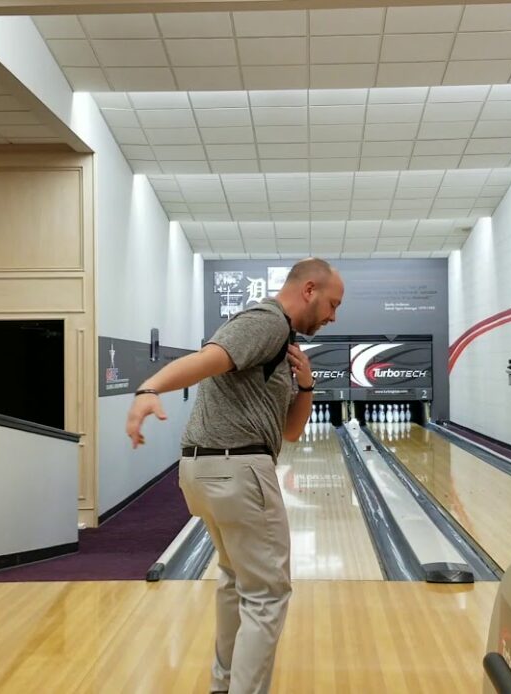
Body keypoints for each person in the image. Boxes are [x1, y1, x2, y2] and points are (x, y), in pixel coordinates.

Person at [126, 257, 344, 694]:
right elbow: (210, 358)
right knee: (268, 595)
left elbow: (291, 431)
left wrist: (305, 386)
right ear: (309, 289)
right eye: (332, 304)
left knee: (234, 581)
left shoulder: (283, 345)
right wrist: (149, 389)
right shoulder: (268, 321)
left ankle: (222, 686)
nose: (333, 316)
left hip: (207, 471)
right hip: (239, 468)